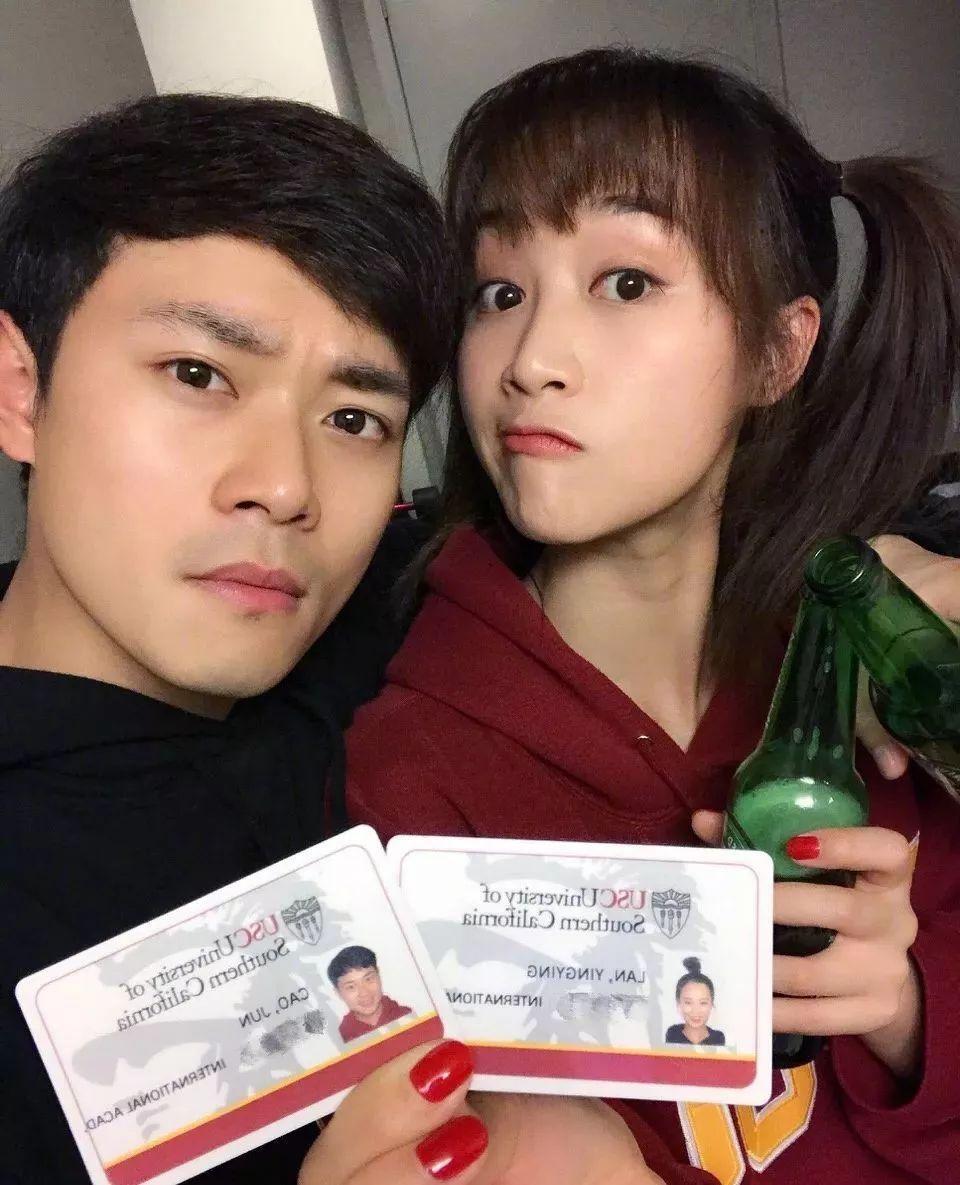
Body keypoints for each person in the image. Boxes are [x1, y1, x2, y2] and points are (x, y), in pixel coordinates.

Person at [347, 49, 960, 1183]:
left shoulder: (885, 687)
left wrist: (906, 1017)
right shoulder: (410, 772)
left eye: (626, 283)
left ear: (778, 351)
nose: (531, 361)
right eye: (499, 293)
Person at [0, 93, 459, 1185]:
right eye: (199, 375)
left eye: (353, 419)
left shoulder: (395, 622)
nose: (287, 486)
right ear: (21, 389)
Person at [327, 945, 413, 1042]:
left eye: (368, 979)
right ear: (338, 993)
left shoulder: (407, 1015)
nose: (364, 993)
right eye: (351, 987)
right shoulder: (342, 1038)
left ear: (378, 975)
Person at [664, 959, 725, 1047]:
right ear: (679, 1004)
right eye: (688, 1002)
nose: (696, 1011)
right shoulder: (672, 1035)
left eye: (703, 1003)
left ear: (711, 1005)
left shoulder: (718, 1038)